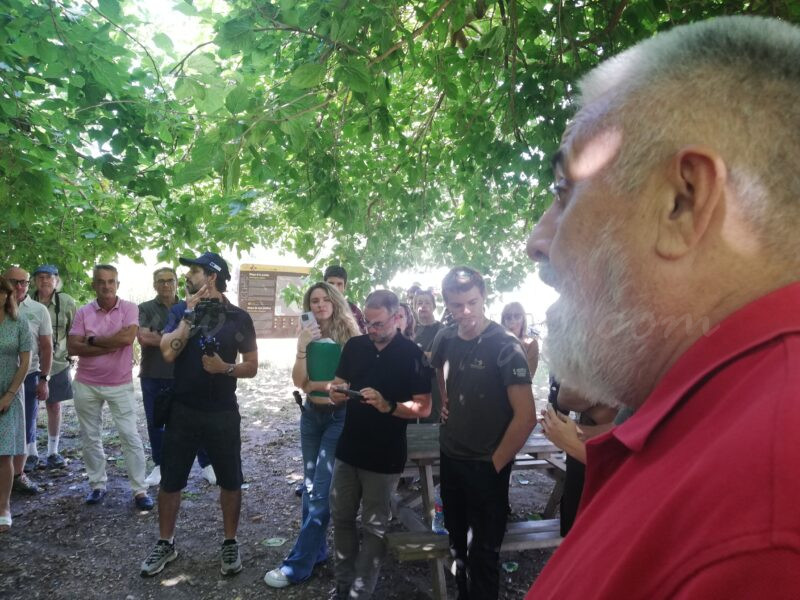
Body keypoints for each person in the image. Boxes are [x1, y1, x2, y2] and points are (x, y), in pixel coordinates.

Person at [525, 16, 800, 598]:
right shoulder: (723, 428)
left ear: (682, 201)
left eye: (564, 192)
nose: (538, 241)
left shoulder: (763, 517)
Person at [141, 252, 258, 578]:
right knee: (171, 481)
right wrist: (189, 317)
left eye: (194, 271)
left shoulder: (238, 317)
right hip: (183, 411)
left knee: (231, 480)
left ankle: (230, 542)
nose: (188, 276)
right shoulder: (181, 311)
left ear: (212, 276)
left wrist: (225, 368)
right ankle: (166, 543)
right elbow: (167, 352)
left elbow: (252, 365)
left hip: (223, 412)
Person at [430, 267, 537, 600]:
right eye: (456, 305)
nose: (465, 312)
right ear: (446, 303)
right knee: (457, 548)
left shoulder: (505, 345)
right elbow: (437, 367)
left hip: (488, 464)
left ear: (484, 297)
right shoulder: (445, 337)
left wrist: (495, 464)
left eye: (472, 303)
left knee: (485, 554)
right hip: (451, 458)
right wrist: (444, 400)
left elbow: (526, 417)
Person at [329, 290, 432, 599]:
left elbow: (424, 407)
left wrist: (388, 406)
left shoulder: (412, 354)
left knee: (374, 526)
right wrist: (337, 392)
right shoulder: (355, 346)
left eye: (378, 324)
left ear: (397, 317)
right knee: (341, 518)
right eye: (367, 323)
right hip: (348, 449)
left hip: (385, 456)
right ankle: (343, 585)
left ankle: (361, 592)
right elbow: (339, 383)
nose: (371, 330)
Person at [264, 282, 360, 588]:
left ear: (335, 302)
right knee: (308, 487)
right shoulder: (307, 334)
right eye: (314, 301)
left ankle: (298, 565)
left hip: (338, 418)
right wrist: (302, 346)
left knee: (320, 492)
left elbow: (346, 385)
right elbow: (298, 381)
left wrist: (315, 385)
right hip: (310, 416)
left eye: (325, 300)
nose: (319, 305)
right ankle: (317, 552)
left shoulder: (350, 336)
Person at [67, 265, 153, 510]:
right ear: (94, 284)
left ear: (117, 284)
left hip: (119, 384)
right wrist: (109, 345)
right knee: (90, 436)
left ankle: (139, 490)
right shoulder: (83, 312)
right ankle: (97, 485)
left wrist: (92, 340)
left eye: (111, 281)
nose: (106, 286)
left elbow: (126, 339)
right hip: (86, 383)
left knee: (130, 435)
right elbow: (72, 347)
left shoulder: (129, 308)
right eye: (101, 281)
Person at [137, 267, 216, 487]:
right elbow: (144, 337)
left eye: (170, 280)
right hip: (153, 374)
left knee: (196, 420)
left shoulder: (189, 305)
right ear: (154, 284)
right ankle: (159, 465)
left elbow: (198, 335)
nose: (166, 285)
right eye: (161, 281)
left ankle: (206, 464)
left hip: (184, 375)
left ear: (176, 283)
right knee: (156, 422)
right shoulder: (145, 308)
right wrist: (177, 337)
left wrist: (165, 335)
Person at [4, 267, 52, 494]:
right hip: (2, 374)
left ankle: (18, 475)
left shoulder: (39, 310)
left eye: (24, 282)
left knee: (25, 427)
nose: (19, 286)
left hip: (29, 374)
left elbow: (46, 347)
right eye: (14, 282)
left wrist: (44, 378)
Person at [30, 264, 77, 469]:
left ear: (56, 280)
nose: (45, 281)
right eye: (40, 277)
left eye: (49, 277)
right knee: (29, 408)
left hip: (58, 362)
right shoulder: (26, 301)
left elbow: (73, 331)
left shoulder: (66, 302)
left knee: (54, 406)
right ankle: (30, 453)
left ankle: (53, 452)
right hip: (29, 364)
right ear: (35, 281)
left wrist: (71, 355)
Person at [0, 276, 32, 532]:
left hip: (8, 394)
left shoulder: (19, 322)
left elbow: (26, 362)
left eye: (3, 292)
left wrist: (10, 394)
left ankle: (3, 508)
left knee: (4, 454)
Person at [413, 290, 443, 423]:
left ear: (434, 306)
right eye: (419, 303)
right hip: (412, 385)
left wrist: (418, 354)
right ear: (414, 307)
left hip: (435, 384)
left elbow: (441, 358)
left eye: (427, 303)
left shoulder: (443, 330)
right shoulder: (411, 330)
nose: (423, 306)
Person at [323, 265, 367, 333]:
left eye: (339, 284)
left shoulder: (354, 310)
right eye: (331, 284)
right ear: (324, 285)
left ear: (345, 287)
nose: (335, 288)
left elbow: (362, 336)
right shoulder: (317, 307)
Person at [500, 302, 539, 377]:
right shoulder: (496, 343)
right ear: (503, 321)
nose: (513, 321)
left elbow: (527, 374)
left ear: (523, 320)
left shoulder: (531, 344)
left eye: (517, 316)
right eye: (508, 317)